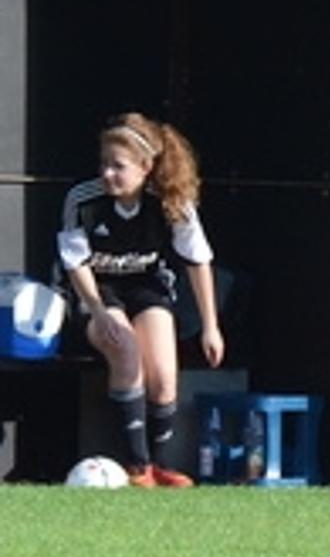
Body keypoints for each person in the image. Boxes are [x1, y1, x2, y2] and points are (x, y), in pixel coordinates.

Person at [57, 113, 223, 488]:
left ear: (146, 167)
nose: (108, 174)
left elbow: (199, 260)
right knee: (126, 350)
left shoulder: (170, 202)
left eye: (118, 166)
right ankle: (137, 467)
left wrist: (211, 326)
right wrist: (99, 313)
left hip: (147, 288)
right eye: (104, 164)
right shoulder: (83, 200)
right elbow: (75, 264)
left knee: (163, 377)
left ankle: (159, 466)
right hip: (97, 292)